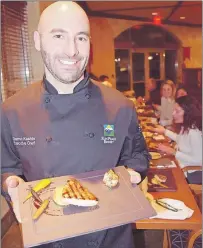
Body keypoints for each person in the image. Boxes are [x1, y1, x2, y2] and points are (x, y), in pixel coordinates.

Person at [1, 2, 150, 248]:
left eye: (81, 38)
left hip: (110, 237)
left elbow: (138, 155)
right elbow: (6, 166)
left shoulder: (121, 106)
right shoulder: (11, 110)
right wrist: (10, 184)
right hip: (46, 237)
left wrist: (133, 174)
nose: (72, 51)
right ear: (38, 41)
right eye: (59, 35)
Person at [153, 96, 202, 184]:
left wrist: (174, 152)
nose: (173, 113)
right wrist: (165, 131)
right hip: (180, 165)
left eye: (177, 111)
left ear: (188, 113)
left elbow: (198, 160)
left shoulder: (194, 132)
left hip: (191, 173)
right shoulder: (185, 126)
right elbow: (180, 139)